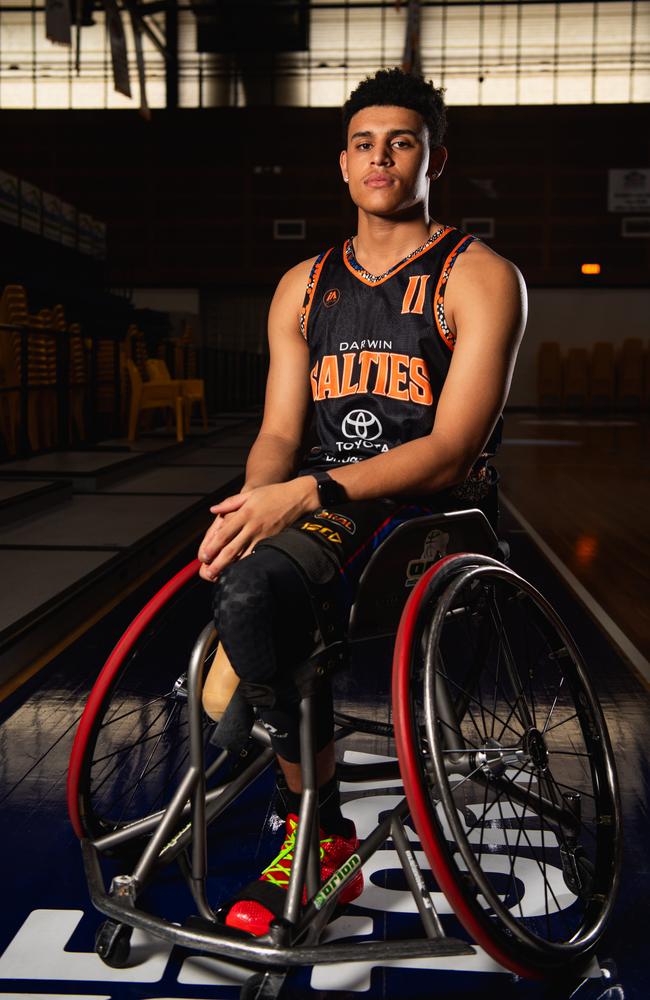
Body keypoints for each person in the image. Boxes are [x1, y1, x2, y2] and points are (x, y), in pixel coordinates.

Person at [197, 67, 527, 936]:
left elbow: (451, 451)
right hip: (326, 498)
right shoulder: (303, 285)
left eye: (402, 142)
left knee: (258, 600)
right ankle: (300, 762)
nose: (380, 157)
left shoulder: (479, 276)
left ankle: (320, 826)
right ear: (343, 166)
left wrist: (302, 492)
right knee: (249, 580)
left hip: (430, 507)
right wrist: (254, 500)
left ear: (435, 160)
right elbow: (278, 431)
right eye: (363, 143)